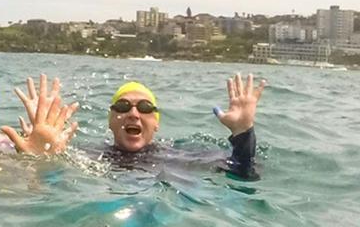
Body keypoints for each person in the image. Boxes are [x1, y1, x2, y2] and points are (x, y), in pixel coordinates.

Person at [103, 74, 264, 179]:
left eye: (144, 107)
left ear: (156, 123)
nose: (134, 114)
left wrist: (243, 133)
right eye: (123, 106)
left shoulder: (178, 156)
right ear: (110, 121)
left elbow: (245, 172)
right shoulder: (89, 156)